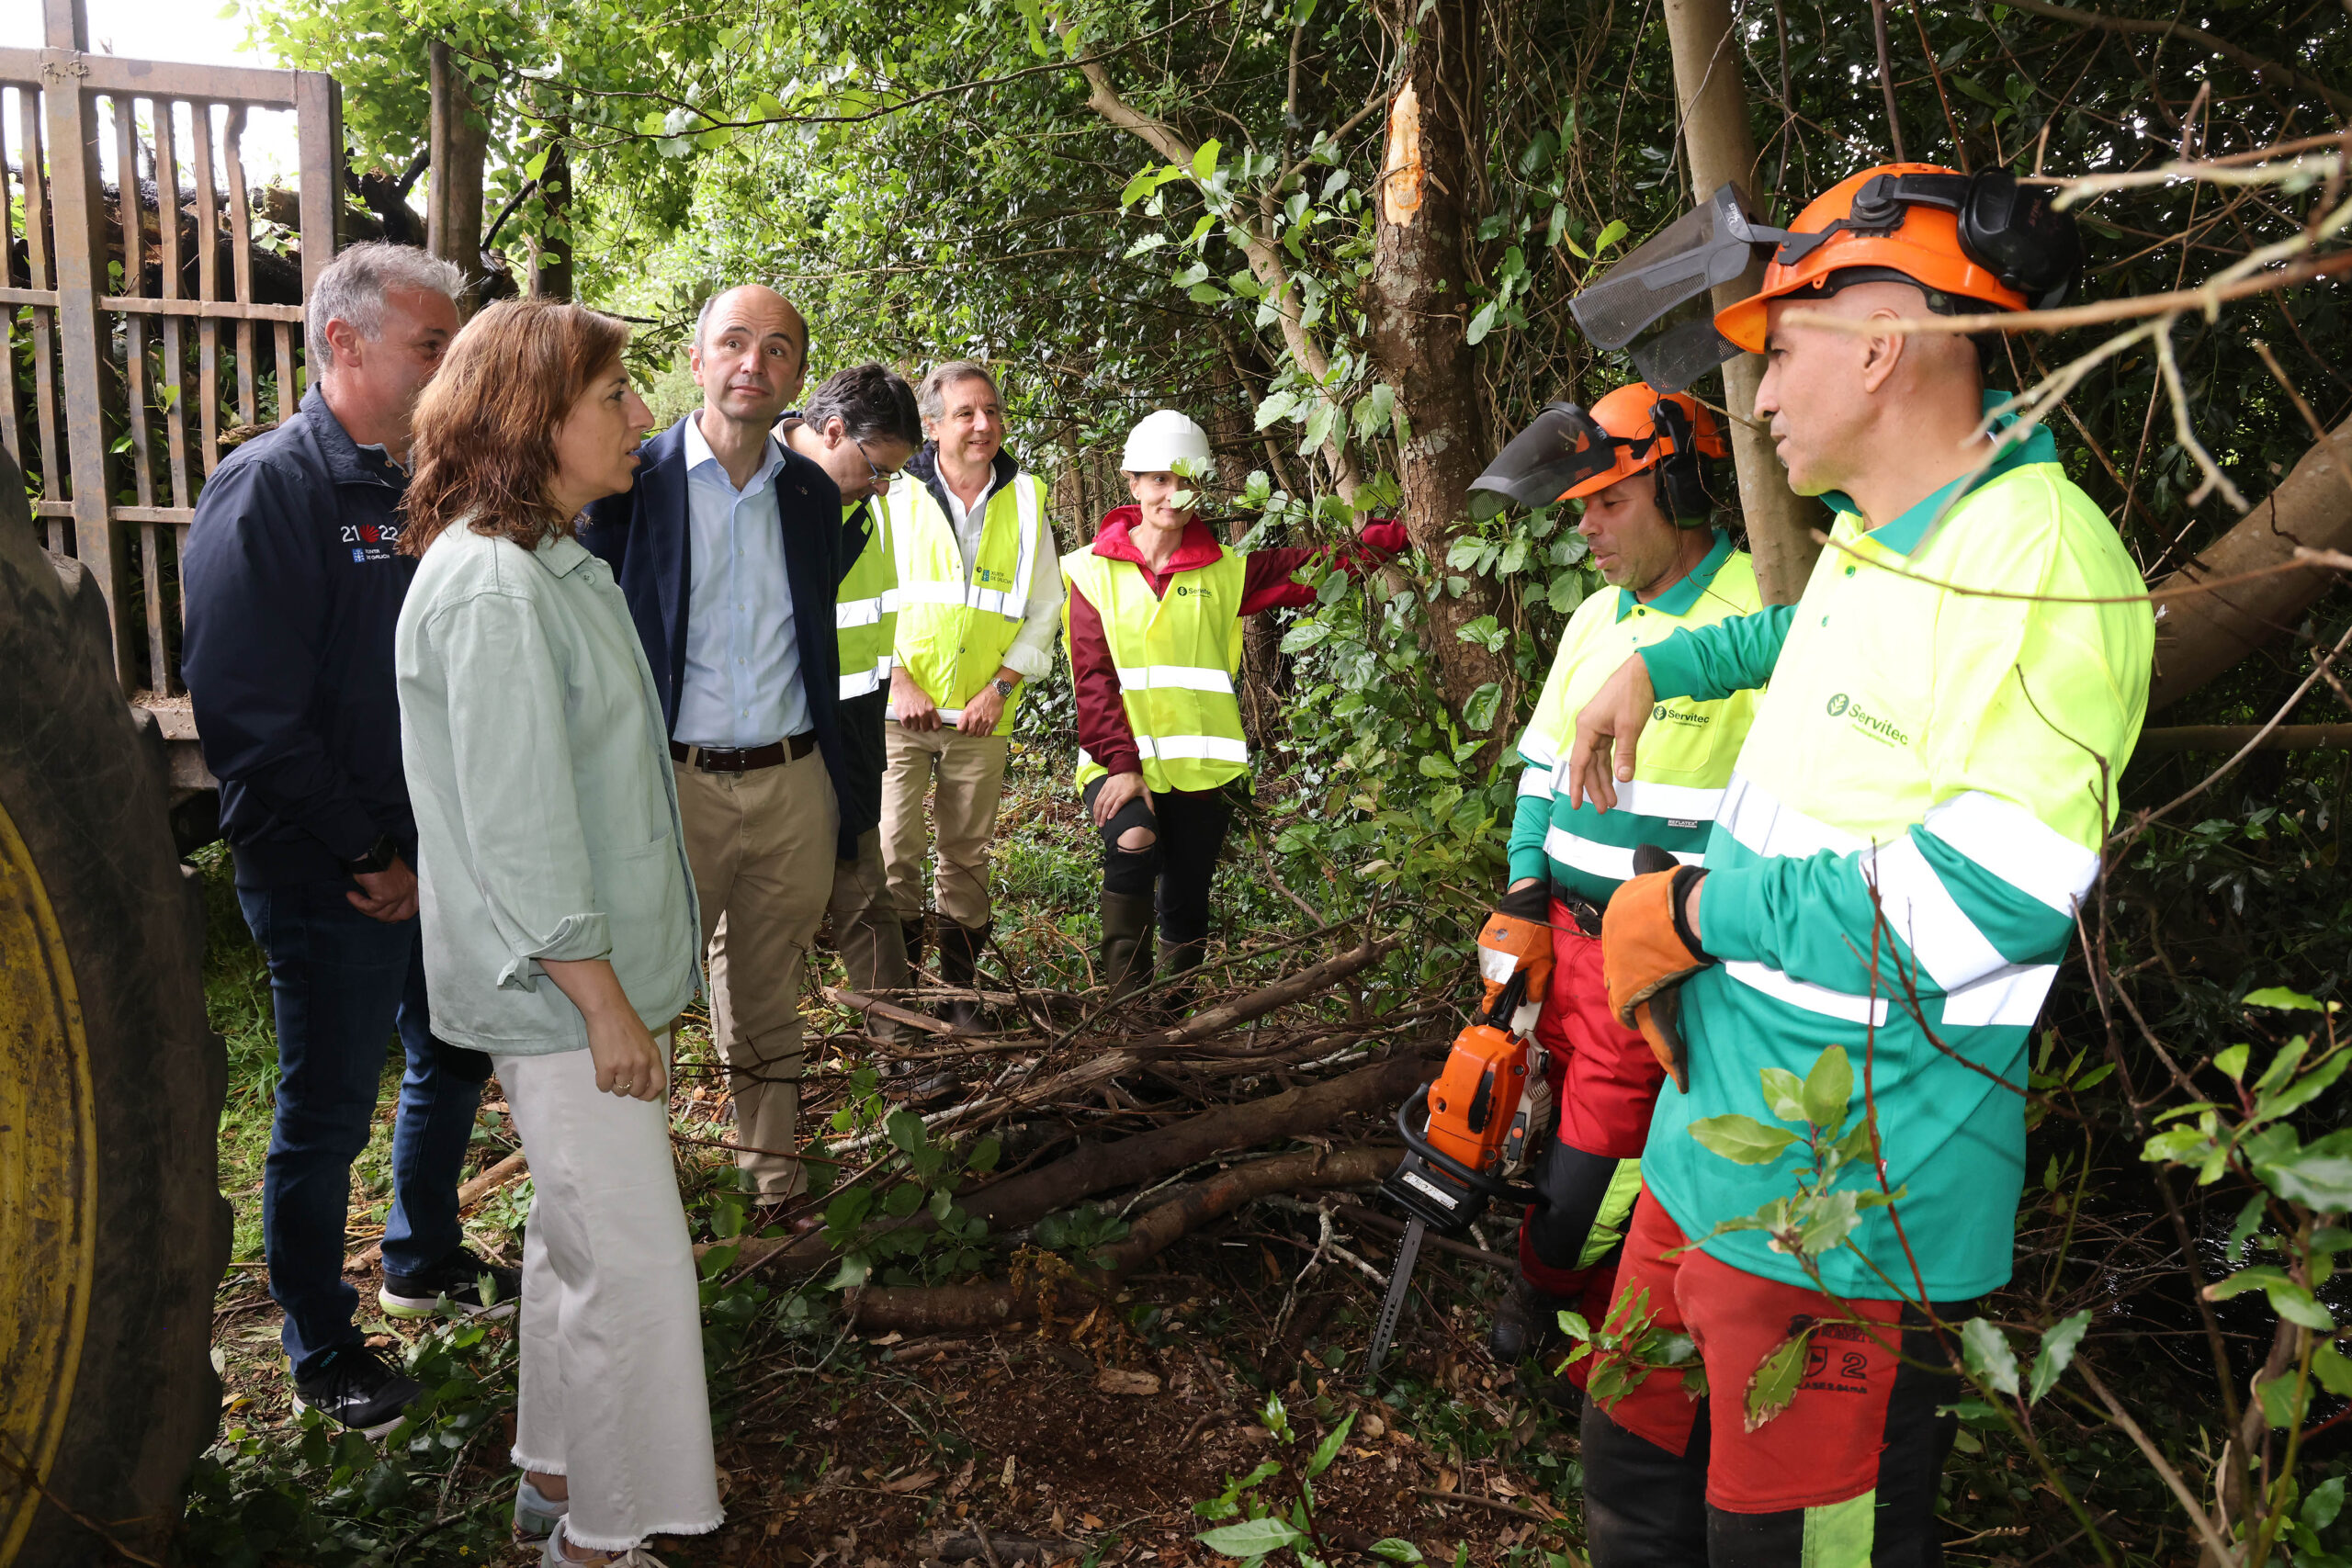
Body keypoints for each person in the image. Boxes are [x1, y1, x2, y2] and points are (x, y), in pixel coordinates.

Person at [1562, 164, 2152, 1565]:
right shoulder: (1884, 538)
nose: (1756, 401)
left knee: (1792, 1541)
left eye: (1778, 354)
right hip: (1714, 1136)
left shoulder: (2046, 569)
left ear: (1881, 347)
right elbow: (1801, 639)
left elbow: (1977, 906)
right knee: (1628, 1470)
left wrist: (1696, 908)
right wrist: (1662, 661)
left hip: (1852, 1190)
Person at [395, 298, 718, 1567]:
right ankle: (606, 1535)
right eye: (615, 397)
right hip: (563, 996)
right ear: (534, 419)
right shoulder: (489, 585)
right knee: (634, 1263)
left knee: (578, 1234)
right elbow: (523, 829)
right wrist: (604, 1003)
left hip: (575, 987)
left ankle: (557, 1474)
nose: (641, 416)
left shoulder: (541, 564)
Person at [180, 240, 513, 1437]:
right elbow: (246, 715)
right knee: (325, 1109)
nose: (454, 364)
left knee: (451, 1053)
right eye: (436, 344)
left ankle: (422, 1258)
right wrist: (369, 854)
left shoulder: (426, 483)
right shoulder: (270, 488)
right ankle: (324, 1345)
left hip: (432, 854)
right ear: (343, 344)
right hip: (335, 871)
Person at [1466, 388, 1764, 1380]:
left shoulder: (1760, 612)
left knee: (1602, 1164)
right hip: (1560, 933)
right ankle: (1580, 1308)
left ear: (1674, 486)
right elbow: (1543, 774)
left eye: (1610, 501)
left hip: (1659, 954)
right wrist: (1519, 890)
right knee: (1526, 1123)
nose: (1586, 529)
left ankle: (1545, 1293)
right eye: (1578, 507)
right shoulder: (1594, 617)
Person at [580, 286, 854, 1212]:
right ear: (696, 363)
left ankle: (770, 1178)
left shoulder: (814, 495)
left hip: (791, 780)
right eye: (733, 343)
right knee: (648, 987)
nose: (753, 362)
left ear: (796, 378)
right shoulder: (628, 485)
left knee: (771, 990)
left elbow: (818, 639)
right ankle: (634, 1189)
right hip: (671, 785)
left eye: (777, 350)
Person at [1063, 411, 1407, 999]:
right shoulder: (1090, 571)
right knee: (1133, 839)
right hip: (1118, 765)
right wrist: (1122, 766)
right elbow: (1092, 677)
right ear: (1133, 484)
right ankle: (1127, 1016)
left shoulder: (1227, 570)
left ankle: (1176, 1025)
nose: (1172, 494)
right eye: (1158, 480)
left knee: (1186, 904)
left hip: (1205, 773)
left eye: (1183, 480)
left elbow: (1322, 566)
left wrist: (1407, 530)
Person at [876, 362, 1062, 1027]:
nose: (984, 425)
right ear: (931, 426)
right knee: (894, 851)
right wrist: (897, 680)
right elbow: (865, 595)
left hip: (983, 716)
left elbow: (1045, 606)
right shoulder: (892, 491)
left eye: (992, 412)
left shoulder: (1028, 497)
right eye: (965, 413)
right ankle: (897, 1006)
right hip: (901, 711)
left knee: (966, 855)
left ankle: (957, 995)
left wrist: (1001, 688)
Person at [774, 366, 924, 1053]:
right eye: (877, 467)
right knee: (761, 920)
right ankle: (761, 1071)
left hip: (853, 736)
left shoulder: (864, 508)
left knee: (866, 896)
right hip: (763, 747)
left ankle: (901, 1049)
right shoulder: (751, 486)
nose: (884, 484)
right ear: (832, 432)